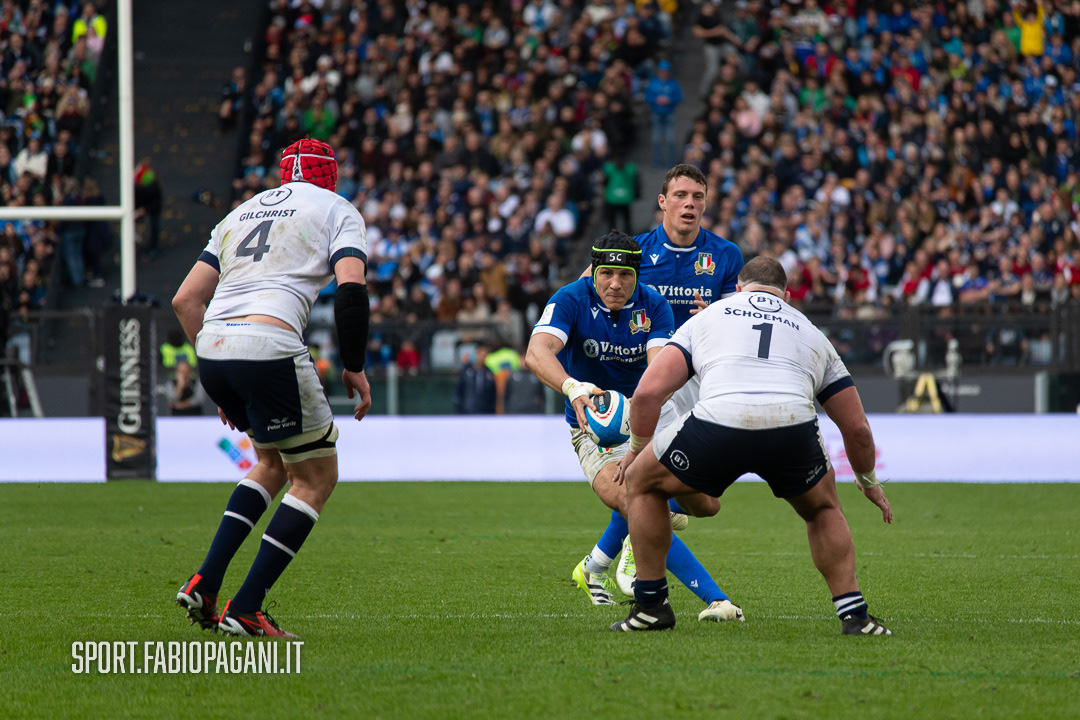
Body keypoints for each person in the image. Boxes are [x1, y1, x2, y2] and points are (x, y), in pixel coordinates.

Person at [610, 257, 893, 634]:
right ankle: (855, 617)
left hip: (718, 423)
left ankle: (650, 608)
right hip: (791, 425)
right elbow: (856, 428)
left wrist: (636, 451)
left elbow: (648, 393)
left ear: (738, 290)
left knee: (643, 483)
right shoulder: (812, 332)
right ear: (786, 296)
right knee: (823, 509)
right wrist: (868, 481)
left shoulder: (709, 316)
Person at [172, 138, 372, 637]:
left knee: (271, 462)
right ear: (331, 175)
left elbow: (185, 300)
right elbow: (351, 290)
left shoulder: (239, 213)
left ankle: (205, 582)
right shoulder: (337, 209)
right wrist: (354, 366)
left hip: (214, 347)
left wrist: (221, 371)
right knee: (315, 479)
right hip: (269, 343)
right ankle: (246, 607)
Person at [525, 230, 744, 621]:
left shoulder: (653, 305)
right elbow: (536, 352)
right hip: (595, 429)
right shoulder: (570, 299)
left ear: (637, 275)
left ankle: (596, 564)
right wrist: (572, 387)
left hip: (650, 417)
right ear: (593, 271)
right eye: (606, 273)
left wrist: (645, 408)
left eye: (625, 275)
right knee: (638, 504)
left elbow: (660, 367)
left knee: (707, 504)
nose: (615, 283)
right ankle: (717, 600)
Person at [582, 163, 744, 596]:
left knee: (702, 497)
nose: (689, 204)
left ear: (705, 204)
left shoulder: (726, 255)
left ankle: (596, 562)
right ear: (662, 202)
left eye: (697, 197)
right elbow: (587, 293)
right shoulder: (635, 252)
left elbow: (737, 321)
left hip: (698, 381)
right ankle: (638, 551)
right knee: (651, 478)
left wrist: (714, 317)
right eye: (680, 196)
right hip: (645, 382)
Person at [645, 60, 682, 169]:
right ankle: (657, 161)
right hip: (656, 113)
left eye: (666, 71)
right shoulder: (652, 82)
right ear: (658, 71)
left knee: (671, 139)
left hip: (669, 113)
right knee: (656, 139)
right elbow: (647, 97)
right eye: (662, 71)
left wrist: (669, 100)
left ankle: (671, 161)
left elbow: (679, 97)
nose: (664, 73)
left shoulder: (673, 83)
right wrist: (656, 99)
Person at [454, 341, 497, 414]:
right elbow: (459, 391)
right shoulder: (465, 370)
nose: (483, 358)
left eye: (485, 356)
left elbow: (493, 395)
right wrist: (460, 409)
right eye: (482, 355)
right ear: (477, 353)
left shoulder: (489, 373)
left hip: (484, 412)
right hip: (467, 411)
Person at [134, 158, 163, 258]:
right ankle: (150, 247)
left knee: (154, 225)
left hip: (151, 208)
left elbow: (156, 203)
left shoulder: (150, 187)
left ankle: (153, 248)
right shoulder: (147, 184)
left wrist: (145, 209)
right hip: (146, 207)